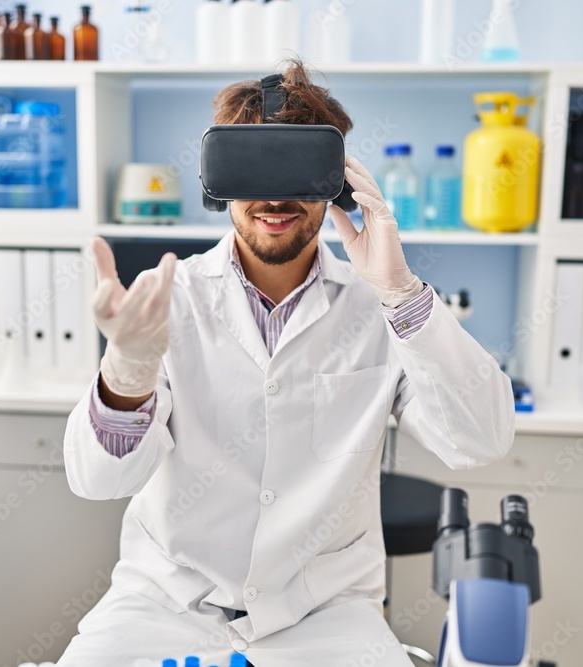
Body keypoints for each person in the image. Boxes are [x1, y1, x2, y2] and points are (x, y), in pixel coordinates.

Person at [58, 59, 515, 667]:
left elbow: (481, 440)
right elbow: (98, 482)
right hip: (165, 606)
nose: (274, 197)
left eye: (298, 173)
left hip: (325, 615)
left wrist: (401, 292)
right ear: (216, 180)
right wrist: (127, 375)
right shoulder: (171, 298)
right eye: (252, 170)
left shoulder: (380, 307)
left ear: (338, 181)